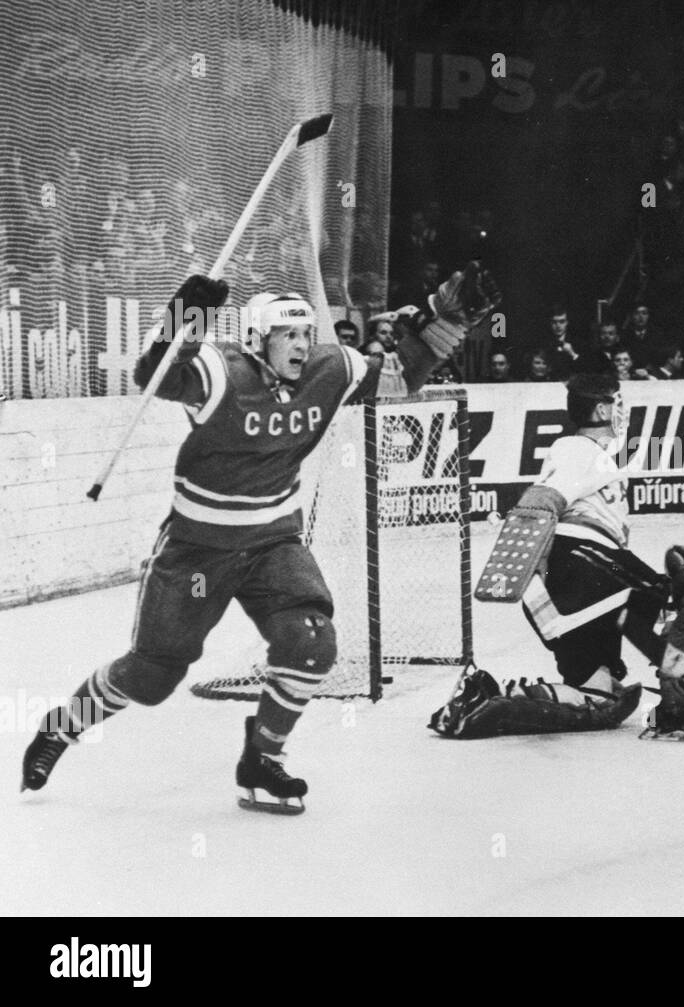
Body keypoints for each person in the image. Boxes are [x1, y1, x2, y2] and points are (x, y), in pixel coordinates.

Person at [21, 266, 498, 810]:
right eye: (286, 335)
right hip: (200, 553)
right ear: (257, 340)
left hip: (274, 543)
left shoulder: (328, 368)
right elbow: (152, 374)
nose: (300, 345)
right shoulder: (222, 372)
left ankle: (263, 758)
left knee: (312, 641)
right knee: (153, 676)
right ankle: (62, 727)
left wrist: (444, 323)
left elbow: (401, 379)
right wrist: (187, 315)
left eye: (304, 334)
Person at [433, 374, 684, 741]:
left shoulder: (604, 453)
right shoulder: (579, 450)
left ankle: (488, 702)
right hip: (581, 560)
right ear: (603, 408)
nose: (623, 411)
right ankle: (683, 699)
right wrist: (520, 559)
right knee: (668, 602)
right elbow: (543, 496)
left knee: (600, 696)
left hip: (559, 598)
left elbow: (656, 455)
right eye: (619, 403)